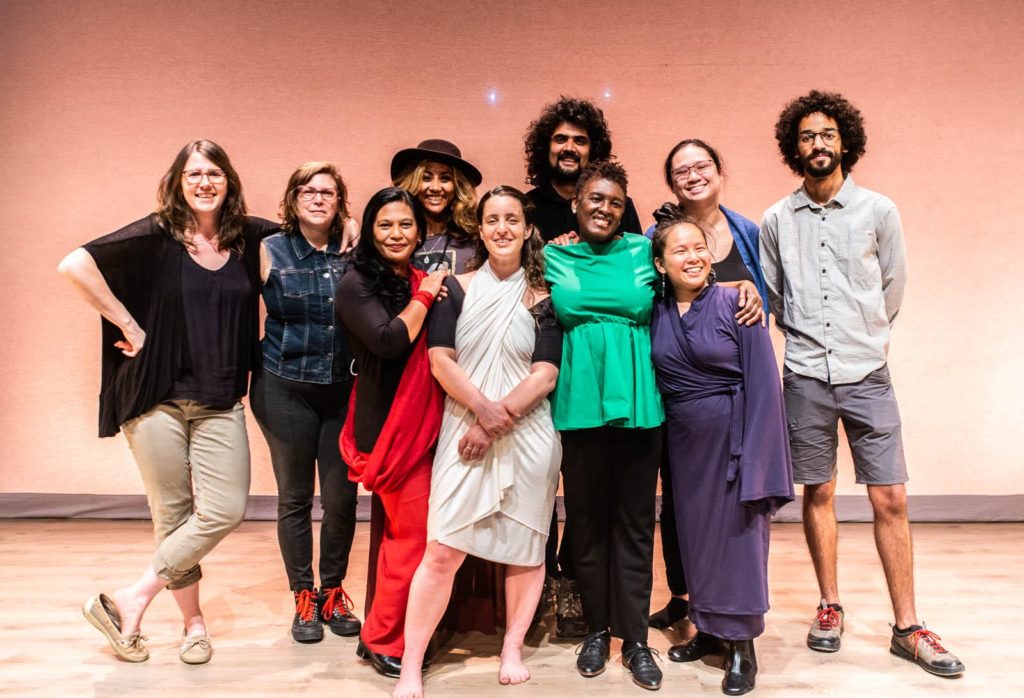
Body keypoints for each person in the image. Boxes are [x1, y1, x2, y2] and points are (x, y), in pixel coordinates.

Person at [760, 89, 965, 676]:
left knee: (890, 496)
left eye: (826, 134)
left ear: (845, 141)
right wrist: (808, 342)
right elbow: (776, 295)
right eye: (806, 136)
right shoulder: (777, 219)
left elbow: (892, 288)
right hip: (804, 374)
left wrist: (864, 335)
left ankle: (907, 624)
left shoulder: (879, 210)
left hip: (867, 372)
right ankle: (829, 605)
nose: (817, 144)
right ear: (792, 148)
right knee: (818, 491)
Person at [60, 139, 278, 665]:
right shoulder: (156, 235)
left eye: (215, 174)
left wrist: (346, 227)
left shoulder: (249, 238)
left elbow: (309, 230)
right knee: (174, 516)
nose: (205, 183)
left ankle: (132, 600)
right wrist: (129, 323)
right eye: (194, 174)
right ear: (179, 182)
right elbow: (74, 264)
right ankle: (193, 624)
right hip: (156, 398)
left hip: (221, 399)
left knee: (225, 509)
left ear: (229, 181)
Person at [394, 186, 563, 698]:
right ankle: (411, 663)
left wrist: (495, 418)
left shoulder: (546, 295)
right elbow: (440, 360)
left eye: (512, 219)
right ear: (481, 228)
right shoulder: (455, 288)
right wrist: (483, 413)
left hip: (529, 434)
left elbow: (546, 374)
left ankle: (512, 646)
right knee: (442, 549)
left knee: (526, 549)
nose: (503, 228)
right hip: (463, 428)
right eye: (493, 220)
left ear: (527, 228)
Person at [650, 212, 795, 695]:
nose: (692, 257)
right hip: (684, 449)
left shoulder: (739, 304)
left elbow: (764, 386)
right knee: (697, 543)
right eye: (679, 251)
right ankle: (709, 631)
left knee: (739, 544)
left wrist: (761, 461)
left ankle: (742, 648)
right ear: (660, 263)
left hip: (735, 444)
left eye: (699, 248)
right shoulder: (656, 310)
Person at [522, 95, 642, 637]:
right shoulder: (527, 211)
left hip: (612, 381)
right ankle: (540, 588)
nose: (569, 147)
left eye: (579, 139)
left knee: (598, 501)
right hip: (546, 366)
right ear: (546, 147)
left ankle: (579, 593)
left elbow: (649, 269)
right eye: (560, 139)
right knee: (548, 490)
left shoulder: (625, 217)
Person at [544, 159, 663, 691]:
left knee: (636, 523)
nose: (605, 208)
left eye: (615, 201)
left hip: (639, 403)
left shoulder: (644, 250)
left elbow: (695, 272)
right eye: (596, 198)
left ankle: (635, 638)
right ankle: (596, 628)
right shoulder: (552, 255)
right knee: (587, 522)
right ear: (576, 202)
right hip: (579, 404)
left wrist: (741, 290)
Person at [644, 139, 769, 631]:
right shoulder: (656, 234)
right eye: (682, 171)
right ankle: (688, 600)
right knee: (681, 510)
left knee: (734, 516)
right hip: (678, 400)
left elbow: (768, 293)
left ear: (719, 171)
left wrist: (749, 289)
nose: (693, 176)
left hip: (732, 376)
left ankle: (733, 626)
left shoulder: (748, 233)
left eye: (702, 166)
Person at [337, 187, 448, 679]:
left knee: (404, 538)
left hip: (428, 421)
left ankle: (384, 633)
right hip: (388, 426)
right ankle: (384, 638)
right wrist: (427, 295)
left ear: (419, 230)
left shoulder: (422, 278)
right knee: (411, 540)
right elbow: (386, 342)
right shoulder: (356, 282)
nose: (397, 234)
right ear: (370, 230)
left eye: (405, 224)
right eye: (385, 225)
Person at [250, 162, 362, 643]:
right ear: (293, 197)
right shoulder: (268, 248)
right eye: (308, 190)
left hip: (343, 389)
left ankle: (333, 591)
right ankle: (303, 598)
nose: (318, 198)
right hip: (283, 386)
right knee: (294, 498)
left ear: (340, 202)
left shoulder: (355, 251)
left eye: (328, 192)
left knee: (341, 500)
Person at [392, 139, 482, 274]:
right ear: (414, 182)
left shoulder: (475, 239)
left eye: (445, 179)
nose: (435, 187)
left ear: (457, 186)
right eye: (426, 178)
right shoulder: (396, 237)